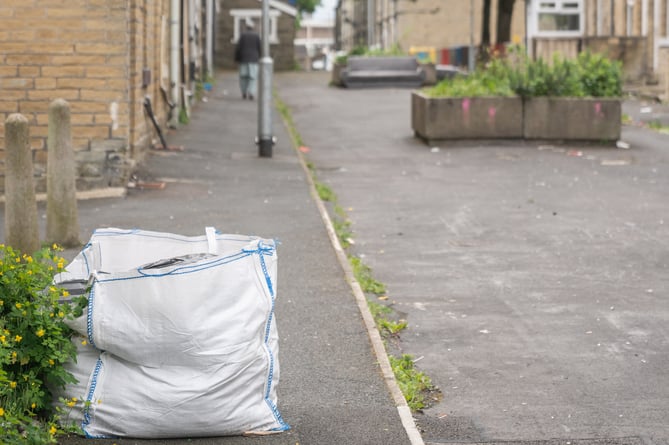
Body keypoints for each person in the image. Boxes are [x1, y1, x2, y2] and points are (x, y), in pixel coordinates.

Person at [234, 20, 261, 100]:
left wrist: (236, 58)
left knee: (243, 77)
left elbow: (238, 48)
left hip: (243, 59)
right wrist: (259, 57)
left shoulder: (243, 35)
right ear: (253, 27)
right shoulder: (257, 36)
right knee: (253, 77)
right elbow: (259, 48)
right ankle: (251, 93)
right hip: (254, 59)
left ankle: (244, 92)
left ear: (246, 27)